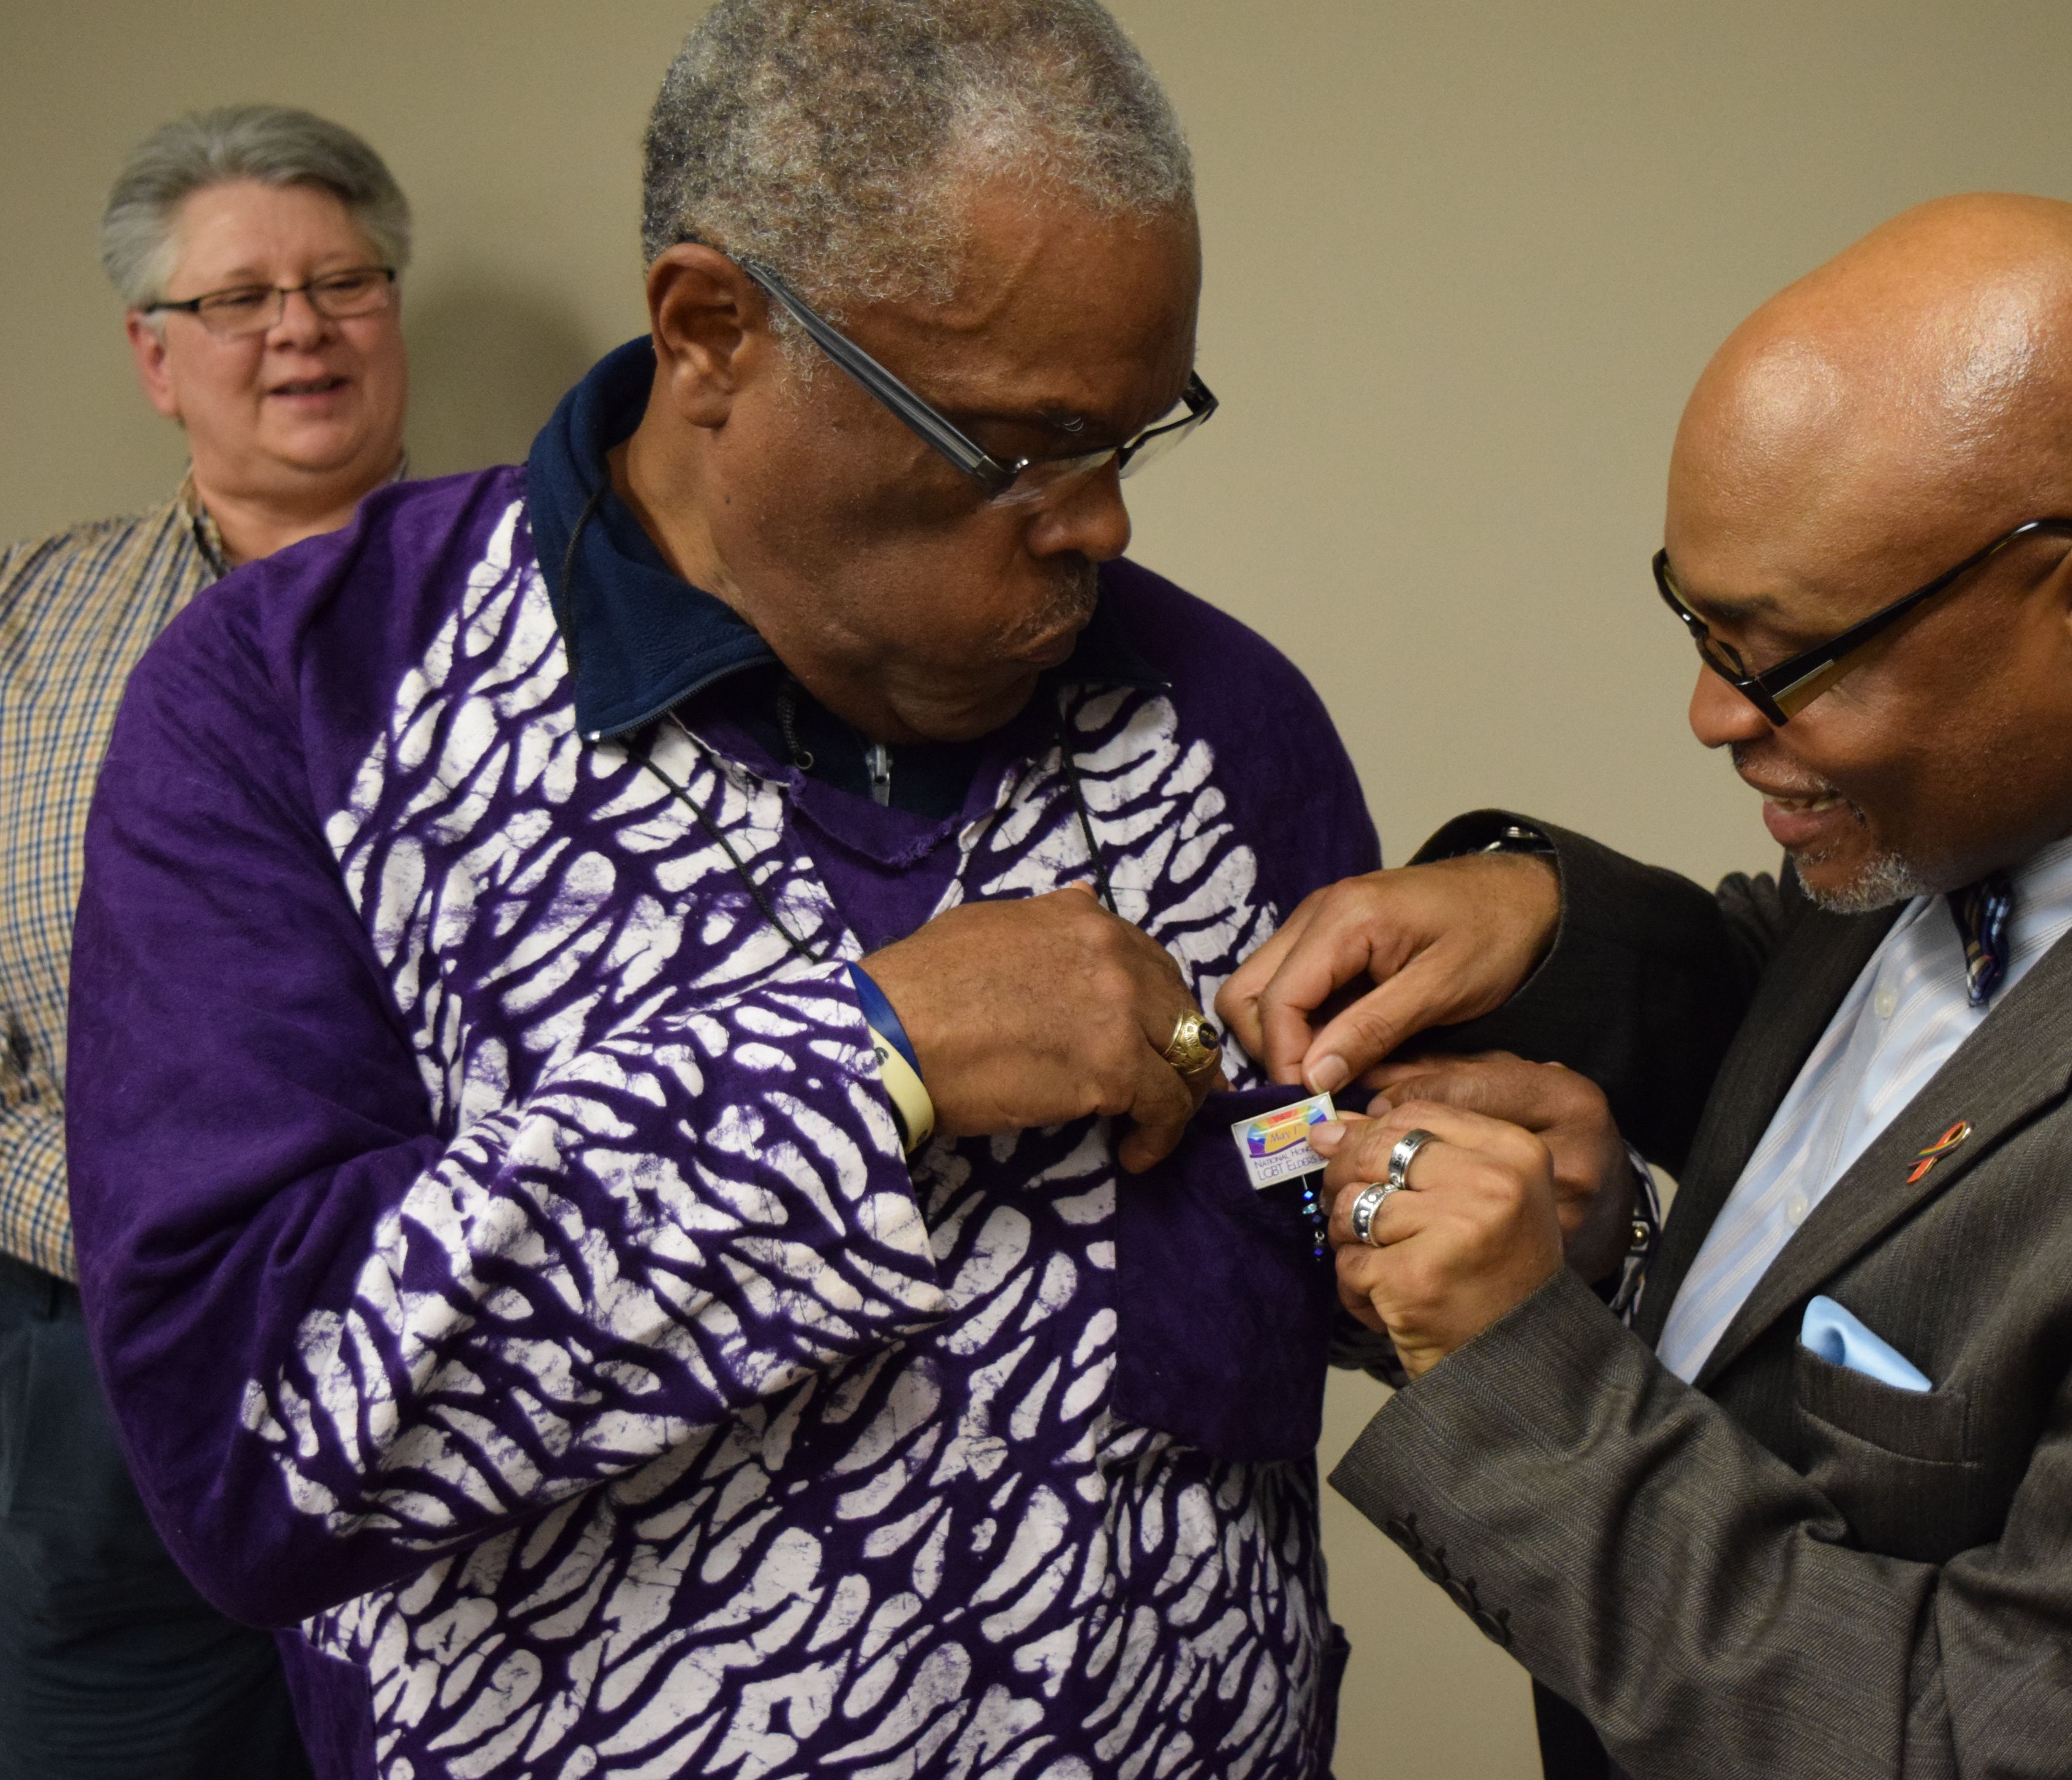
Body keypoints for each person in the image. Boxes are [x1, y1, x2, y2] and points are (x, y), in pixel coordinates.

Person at [65, 4, 1375, 1776]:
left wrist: (1434, 1194)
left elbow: (1294, 1162)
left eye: (1137, 439)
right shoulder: (294, 707)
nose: (1101, 526)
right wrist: (863, 1073)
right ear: (713, 332)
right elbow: (253, 1444)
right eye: (1017, 449)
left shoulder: (1218, 722)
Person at [1221, 195, 2072, 1779]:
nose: (1707, 713)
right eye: (1697, 618)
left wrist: (1520, 1375)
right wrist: (1551, 923)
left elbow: (1969, 1750)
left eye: (1779, 654)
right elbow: (1919, 1036)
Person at [0, 101, 414, 1780]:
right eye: (240, 299)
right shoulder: (24, 619)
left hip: (465, 1366)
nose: (300, 327)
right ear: (156, 357)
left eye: (341, 283)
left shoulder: (550, 608)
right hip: (103, 1396)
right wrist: (148, 1239)